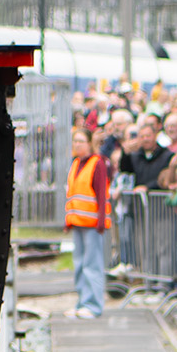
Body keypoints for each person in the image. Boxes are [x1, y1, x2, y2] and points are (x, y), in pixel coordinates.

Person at [64, 118, 115, 318]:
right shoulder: (76, 163)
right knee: (79, 265)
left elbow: (101, 194)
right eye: (75, 141)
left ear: (89, 143)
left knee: (92, 265)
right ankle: (82, 302)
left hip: (92, 224)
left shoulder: (97, 163)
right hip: (77, 221)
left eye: (81, 141)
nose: (77, 145)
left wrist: (101, 221)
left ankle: (93, 305)